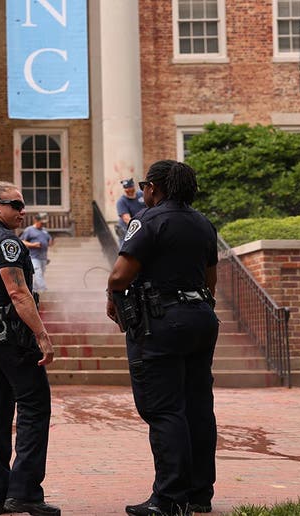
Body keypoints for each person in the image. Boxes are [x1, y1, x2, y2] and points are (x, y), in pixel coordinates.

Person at [106, 160, 219, 516]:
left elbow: (119, 277)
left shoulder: (148, 219)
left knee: (164, 409)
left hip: (161, 323)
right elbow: (211, 279)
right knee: (198, 407)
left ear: (154, 187)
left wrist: (113, 298)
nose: (142, 192)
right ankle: (199, 495)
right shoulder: (204, 223)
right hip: (201, 317)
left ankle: (168, 499)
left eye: (144, 186)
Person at [0, 179, 60, 516]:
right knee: (34, 408)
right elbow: (18, 293)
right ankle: (24, 493)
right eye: (15, 205)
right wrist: (42, 335)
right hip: (12, 335)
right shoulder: (8, 243)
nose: (22, 211)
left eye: (22, 205)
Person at [19, 212, 53, 294]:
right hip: (33, 257)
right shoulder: (29, 230)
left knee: (40, 275)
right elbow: (22, 241)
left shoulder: (44, 231)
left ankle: (34, 291)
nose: (43, 224)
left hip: (43, 257)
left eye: (44, 223)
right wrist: (32, 244)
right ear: (36, 221)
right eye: (41, 222)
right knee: (38, 273)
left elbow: (49, 240)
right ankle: (43, 290)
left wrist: (50, 242)